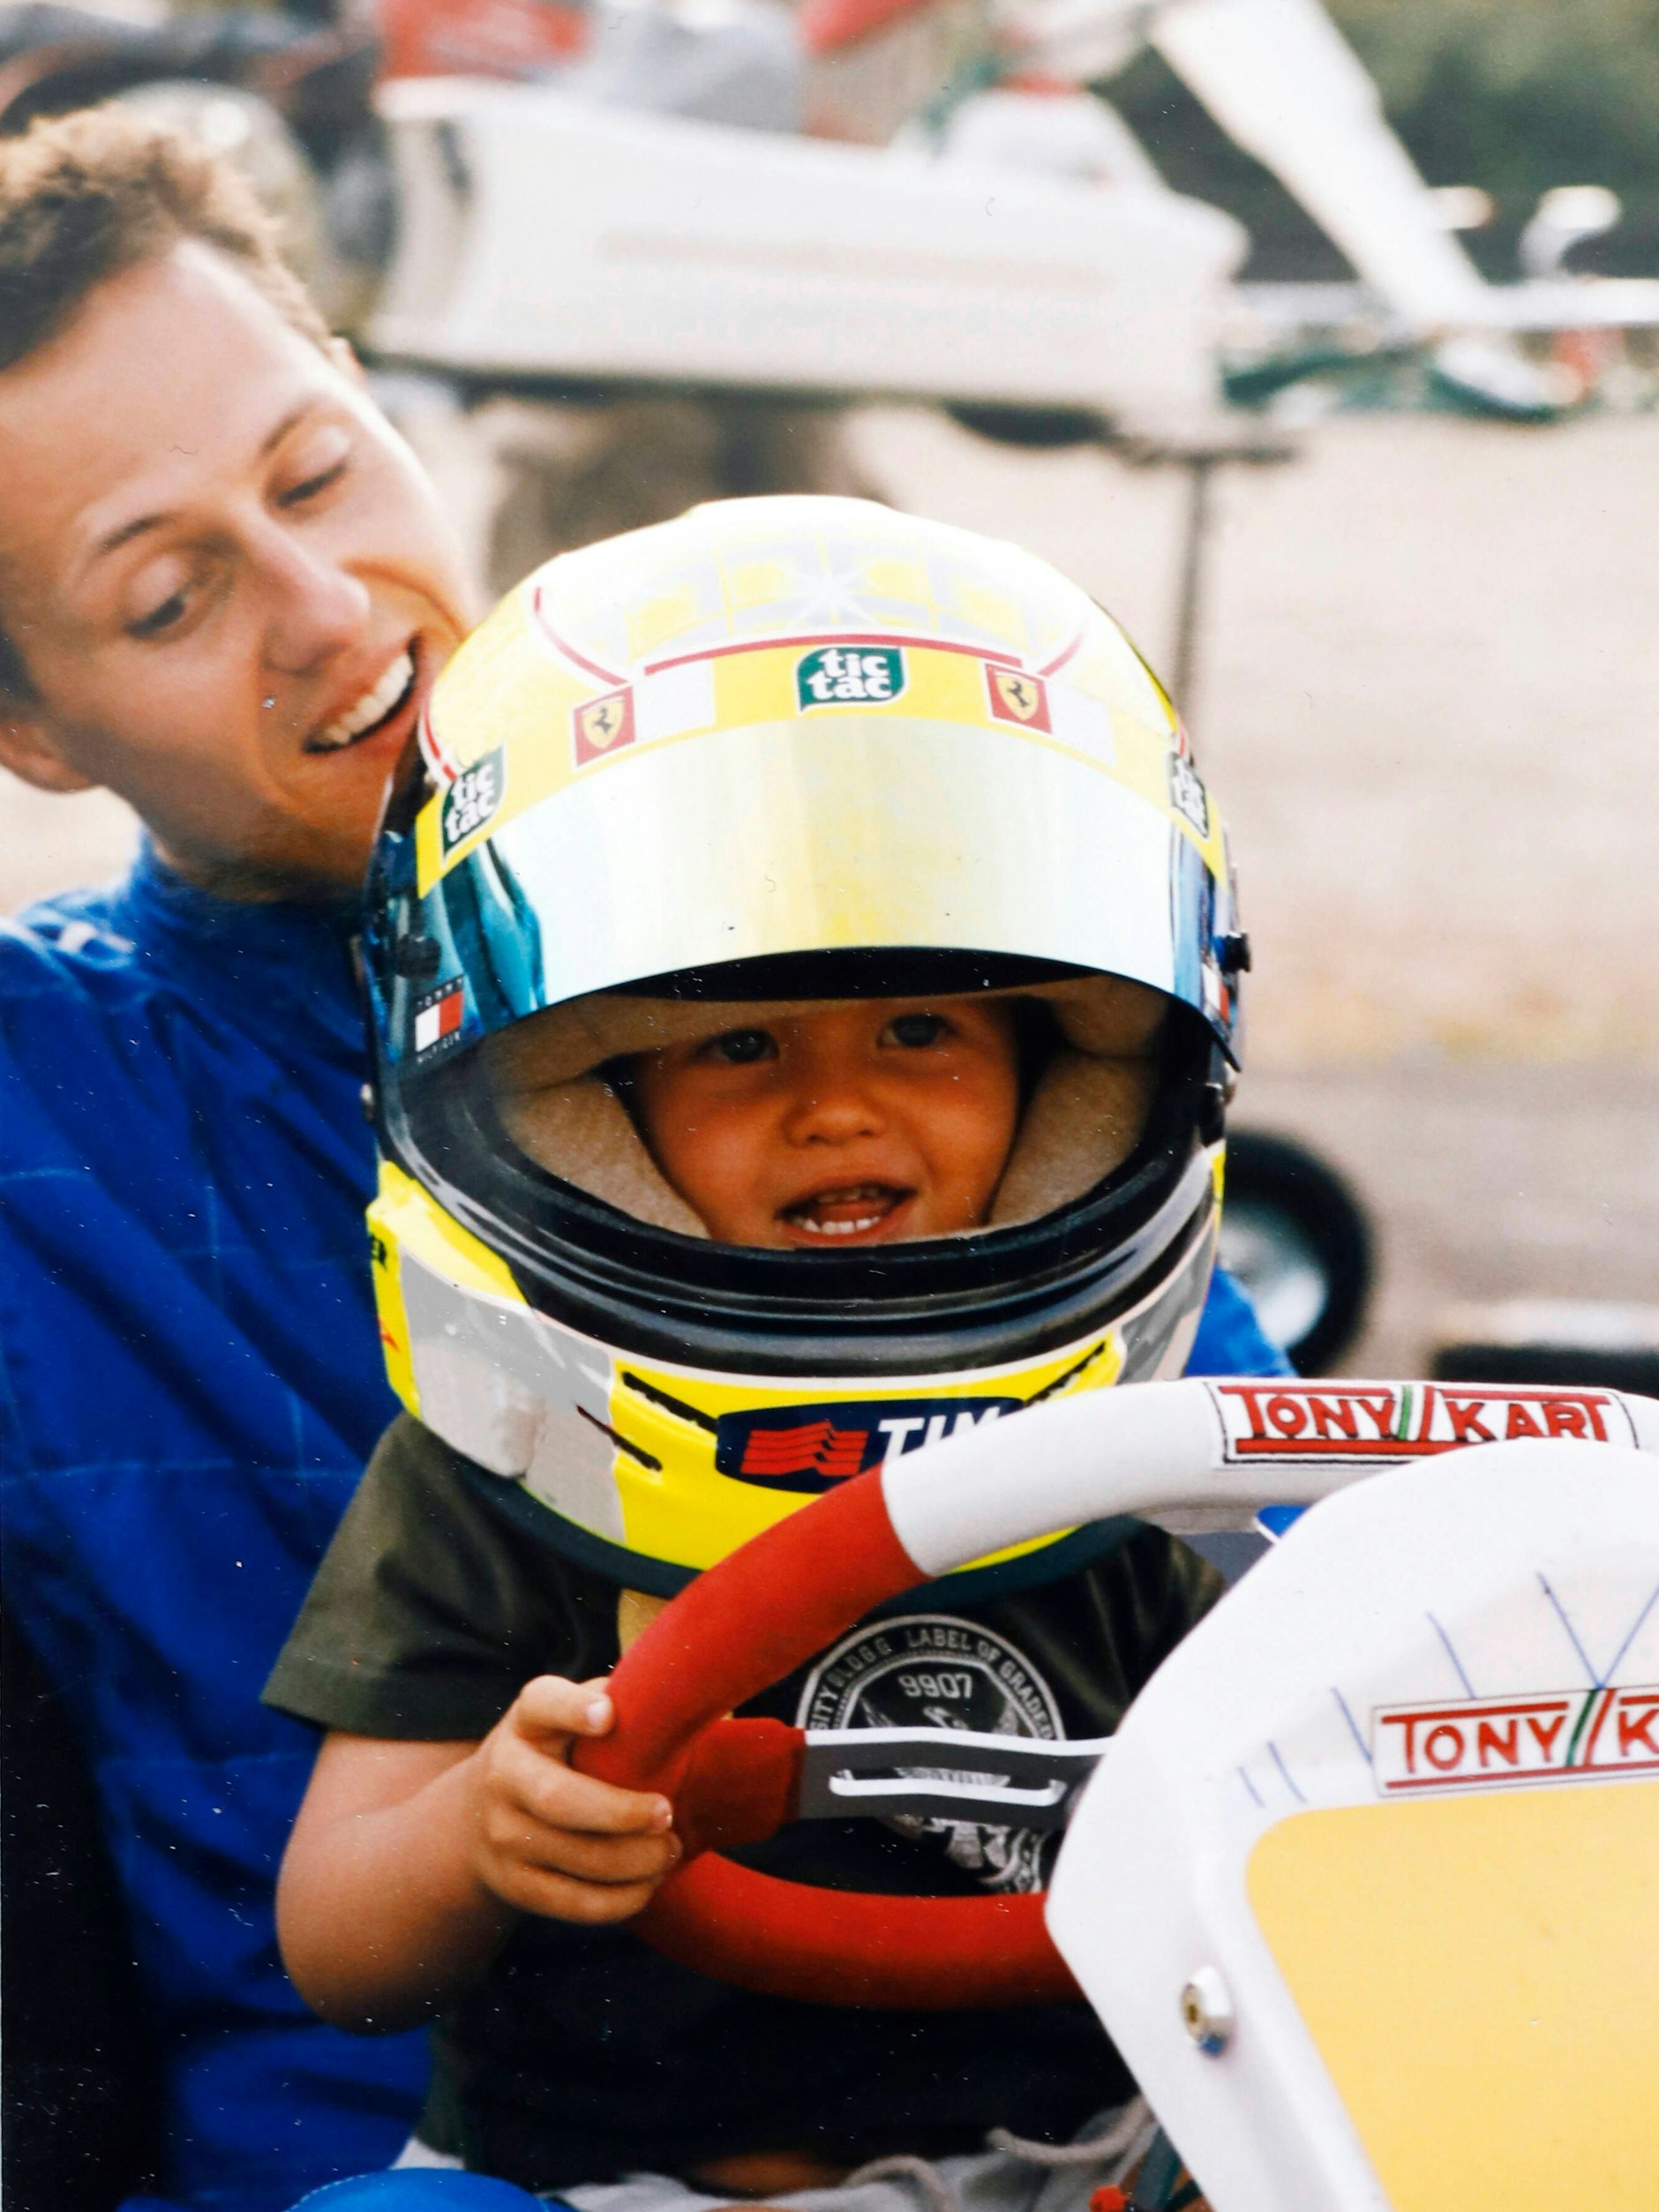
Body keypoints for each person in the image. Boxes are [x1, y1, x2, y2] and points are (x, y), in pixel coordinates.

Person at [264, 496, 1285, 2207]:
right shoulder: (501, 1462)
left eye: (918, 1027)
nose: (837, 1106)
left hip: (1079, 2169)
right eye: (735, 1041)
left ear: (1071, 1080)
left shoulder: (1152, 1465)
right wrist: (483, 1833)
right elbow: (335, 1951)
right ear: (580, 1111)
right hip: (581, 2191)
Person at [0, 106, 476, 2210]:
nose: (322, 606)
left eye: (319, 472)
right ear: (31, 727)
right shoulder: (37, 1104)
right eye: (174, 594)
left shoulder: (835, 840)